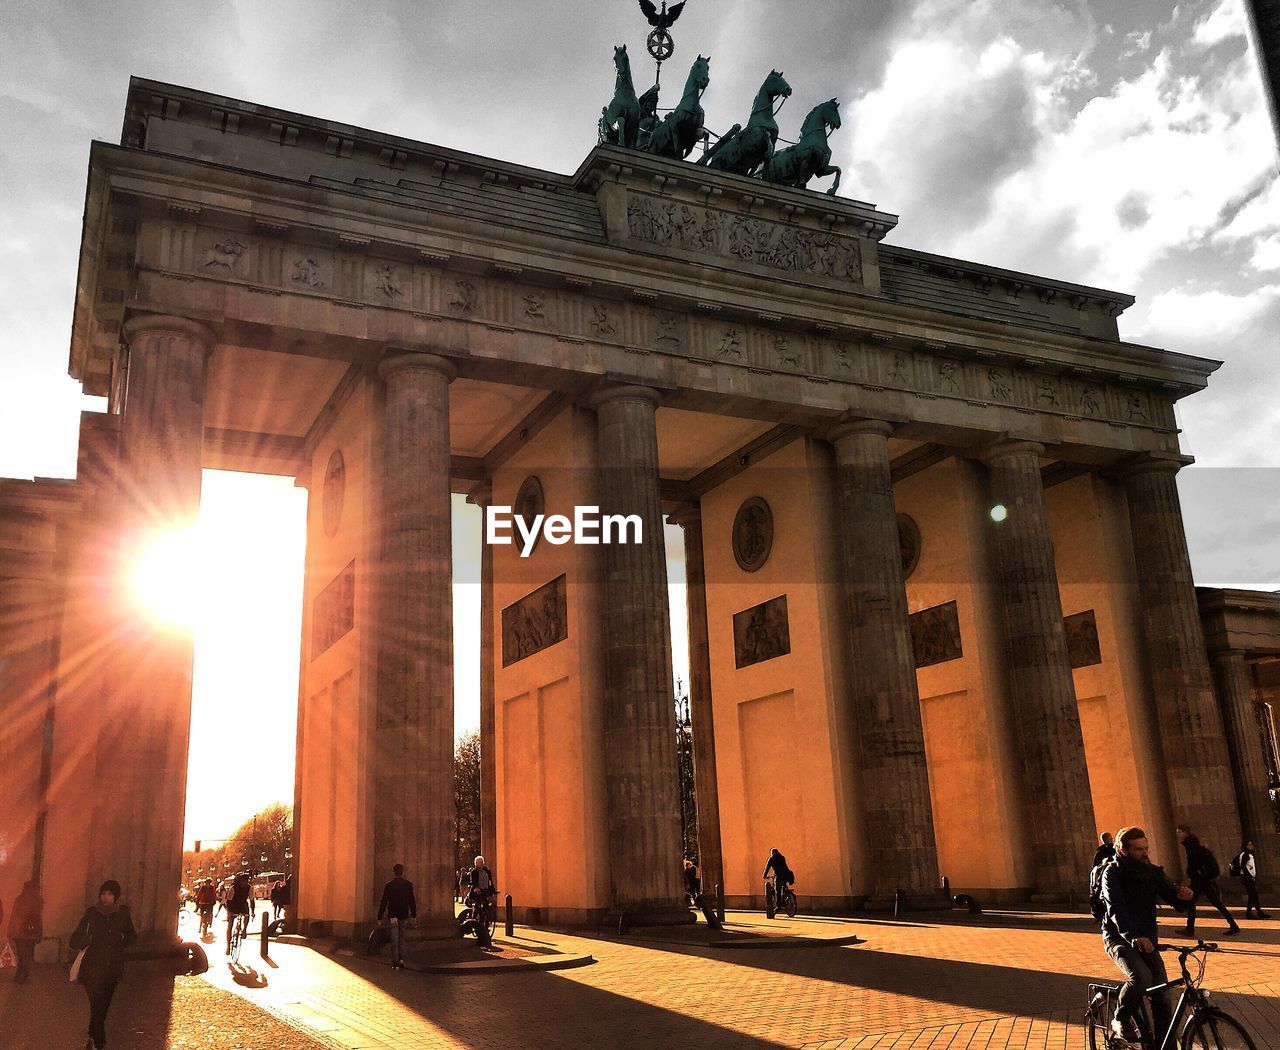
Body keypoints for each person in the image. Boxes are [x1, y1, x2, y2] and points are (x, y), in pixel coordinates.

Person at [1099, 826, 1193, 1043]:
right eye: (1138, 849)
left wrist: (1185, 897)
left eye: (1146, 848)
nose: (1144, 853)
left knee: (1162, 998)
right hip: (1118, 938)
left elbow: (1172, 896)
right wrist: (1132, 936)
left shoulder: (1151, 871)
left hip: (1147, 941)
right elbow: (1116, 908)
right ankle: (1120, 1019)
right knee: (1141, 977)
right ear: (1123, 850)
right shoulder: (1112, 873)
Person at [70, 879, 137, 1050]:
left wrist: (122, 941)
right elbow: (74, 939)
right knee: (96, 1004)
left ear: (116, 897)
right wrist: (88, 939)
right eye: (103, 894)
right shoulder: (91, 913)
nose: (106, 897)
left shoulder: (123, 914)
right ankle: (98, 1040)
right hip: (91, 968)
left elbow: (132, 936)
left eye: (109, 894)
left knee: (103, 1006)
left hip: (112, 969)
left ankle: (93, 1036)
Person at [1175, 824, 1239, 937]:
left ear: (1185, 832)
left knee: (1192, 901)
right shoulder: (1192, 843)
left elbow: (1194, 863)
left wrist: (1191, 875)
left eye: (1180, 832)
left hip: (1199, 880)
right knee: (1215, 903)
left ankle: (1190, 929)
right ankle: (1233, 925)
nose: (1178, 834)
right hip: (1202, 879)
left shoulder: (1191, 845)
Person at [377, 863, 417, 969]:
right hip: (403, 914)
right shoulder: (408, 885)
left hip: (393, 915)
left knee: (394, 938)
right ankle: (402, 960)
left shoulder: (389, 885)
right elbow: (412, 901)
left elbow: (384, 901)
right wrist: (413, 915)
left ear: (394, 872)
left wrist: (379, 916)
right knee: (402, 938)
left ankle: (395, 962)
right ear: (402, 872)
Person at [9, 879, 42, 984]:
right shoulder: (36, 900)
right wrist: (38, 933)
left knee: (22, 955)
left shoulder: (20, 899)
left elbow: (14, 916)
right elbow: (37, 919)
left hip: (20, 933)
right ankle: (22, 975)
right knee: (27, 955)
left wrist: (11, 930)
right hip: (28, 933)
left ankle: (20, 976)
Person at [1233, 840, 1269, 919]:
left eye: (1251, 844)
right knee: (1252, 895)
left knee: (1254, 895)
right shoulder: (1245, 855)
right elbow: (1243, 866)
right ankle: (1249, 913)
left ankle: (1259, 912)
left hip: (1247, 877)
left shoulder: (1246, 854)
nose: (1251, 846)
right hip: (1247, 878)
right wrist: (1250, 877)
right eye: (1249, 845)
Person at [224, 871, 256, 956]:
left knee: (246, 915)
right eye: (243, 881)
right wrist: (229, 912)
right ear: (239, 881)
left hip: (243, 904)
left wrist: (253, 911)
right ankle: (228, 946)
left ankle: (244, 929)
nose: (245, 883)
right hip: (233, 905)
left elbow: (252, 900)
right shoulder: (233, 888)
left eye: (246, 880)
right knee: (230, 923)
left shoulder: (250, 888)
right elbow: (228, 901)